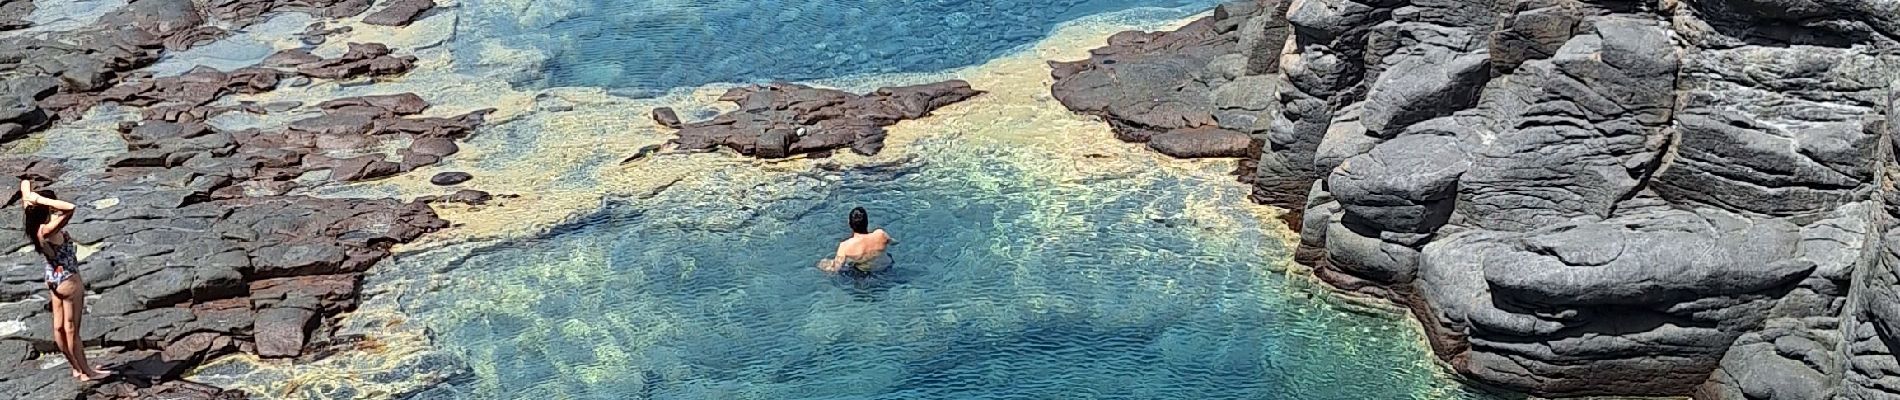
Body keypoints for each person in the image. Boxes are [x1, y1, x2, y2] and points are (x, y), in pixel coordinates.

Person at [20, 179, 109, 381]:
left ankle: (76, 368)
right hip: (68, 280)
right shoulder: (47, 229)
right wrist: (40, 199)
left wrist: (30, 194)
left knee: (59, 327)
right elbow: (70, 208)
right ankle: (88, 372)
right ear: (45, 208)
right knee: (72, 330)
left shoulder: (33, 223)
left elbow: (24, 185)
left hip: (53, 277)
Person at [818, 207, 893, 276]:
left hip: (865, 274)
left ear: (849, 224)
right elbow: (893, 242)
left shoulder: (845, 246)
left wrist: (823, 265)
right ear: (867, 222)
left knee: (824, 263)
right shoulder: (880, 234)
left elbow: (836, 268)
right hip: (886, 267)